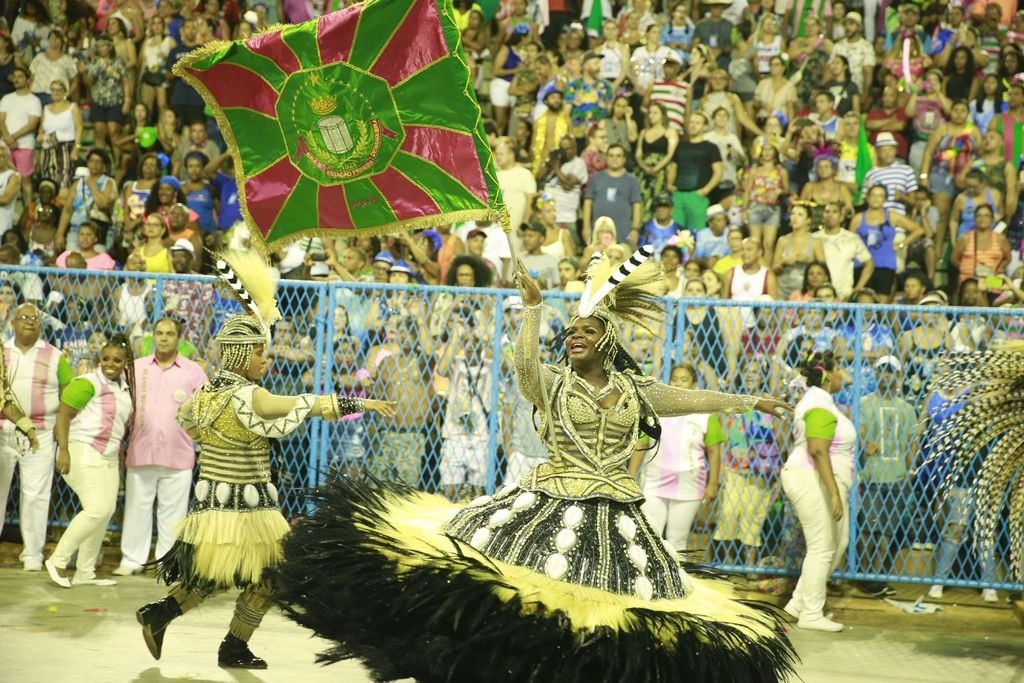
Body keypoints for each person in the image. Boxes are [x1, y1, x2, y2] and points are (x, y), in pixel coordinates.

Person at [272, 255, 797, 682]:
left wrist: (752, 401)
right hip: (547, 504)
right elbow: (524, 368)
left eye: (586, 331)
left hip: (616, 515)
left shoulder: (637, 391)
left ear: (608, 341)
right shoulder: (553, 382)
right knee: (517, 601)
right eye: (571, 331)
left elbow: (692, 397)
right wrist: (533, 309)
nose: (575, 336)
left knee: (605, 623)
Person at [134, 253, 396, 668]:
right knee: (270, 576)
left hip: (213, 507)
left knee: (216, 575)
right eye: (260, 353)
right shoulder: (248, 395)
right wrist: (356, 401)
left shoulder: (205, 393)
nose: (266, 360)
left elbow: (188, 424)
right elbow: (300, 404)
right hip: (246, 511)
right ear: (241, 355)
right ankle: (231, 645)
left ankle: (162, 614)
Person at [115, 317, 208, 576]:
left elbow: (204, 413)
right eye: (159, 333)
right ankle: (131, 560)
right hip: (140, 450)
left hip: (178, 453)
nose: (164, 337)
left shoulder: (194, 372)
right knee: (136, 508)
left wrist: (203, 449)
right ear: (152, 337)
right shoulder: (136, 368)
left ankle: (167, 564)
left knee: (174, 513)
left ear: (180, 338)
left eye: (169, 333)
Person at [45, 334, 136, 589]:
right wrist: (63, 450)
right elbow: (63, 415)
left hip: (107, 457)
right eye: (105, 358)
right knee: (96, 509)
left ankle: (85, 572)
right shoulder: (88, 382)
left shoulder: (124, 387)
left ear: (126, 362)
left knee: (104, 512)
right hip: (82, 450)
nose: (110, 363)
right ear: (99, 359)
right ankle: (58, 560)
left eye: (117, 360)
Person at [782, 350, 854, 632]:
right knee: (822, 547)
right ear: (827, 375)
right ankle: (811, 613)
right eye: (840, 369)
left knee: (837, 543)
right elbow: (817, 450)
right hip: (811, 477)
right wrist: (834, 492)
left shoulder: (822, 401)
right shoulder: (818, 403)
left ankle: (799, 603)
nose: (843, 375)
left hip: (816, 477)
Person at [0, 303, 70, 571]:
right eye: (24, 317)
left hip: (39, 433)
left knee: (35, 495)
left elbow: (68, 393)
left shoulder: (55, 356)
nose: (30, 321)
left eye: (35, 318)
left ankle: (32, 556)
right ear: (13, 324)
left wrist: (61, 427)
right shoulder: (2, 351)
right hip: (2, 432)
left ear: (41, 324)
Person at [641, 362, 724, 557]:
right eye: (675, 379)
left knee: (677, 540)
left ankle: (677, 582)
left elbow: (714, 452)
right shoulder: (656, 410)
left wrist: (713, 483)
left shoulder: (705, 414)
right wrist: (630, 474)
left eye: (684, 380)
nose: (678, 384)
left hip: (689, 483)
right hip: (654, 480)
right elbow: (641, 444)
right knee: (649, 535)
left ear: (694, 384)